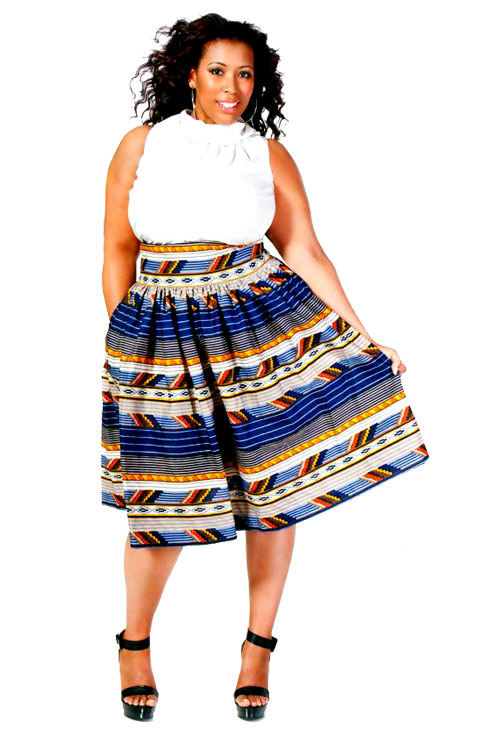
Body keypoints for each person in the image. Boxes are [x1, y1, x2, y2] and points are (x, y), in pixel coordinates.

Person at [101, 13, 430, 723]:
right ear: (190, 74)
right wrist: (123, 345)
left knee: (277, 487)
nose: (232, 86)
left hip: (258, 332)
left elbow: (304, 250)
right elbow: (117, 250)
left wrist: (365, 337)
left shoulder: (266, 153)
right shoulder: (142, 145)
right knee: (163, 496)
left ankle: (257, 648)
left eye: (245, 74)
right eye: (218, 71)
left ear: (259, 82)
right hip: (162, 335)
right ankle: (134, 643)